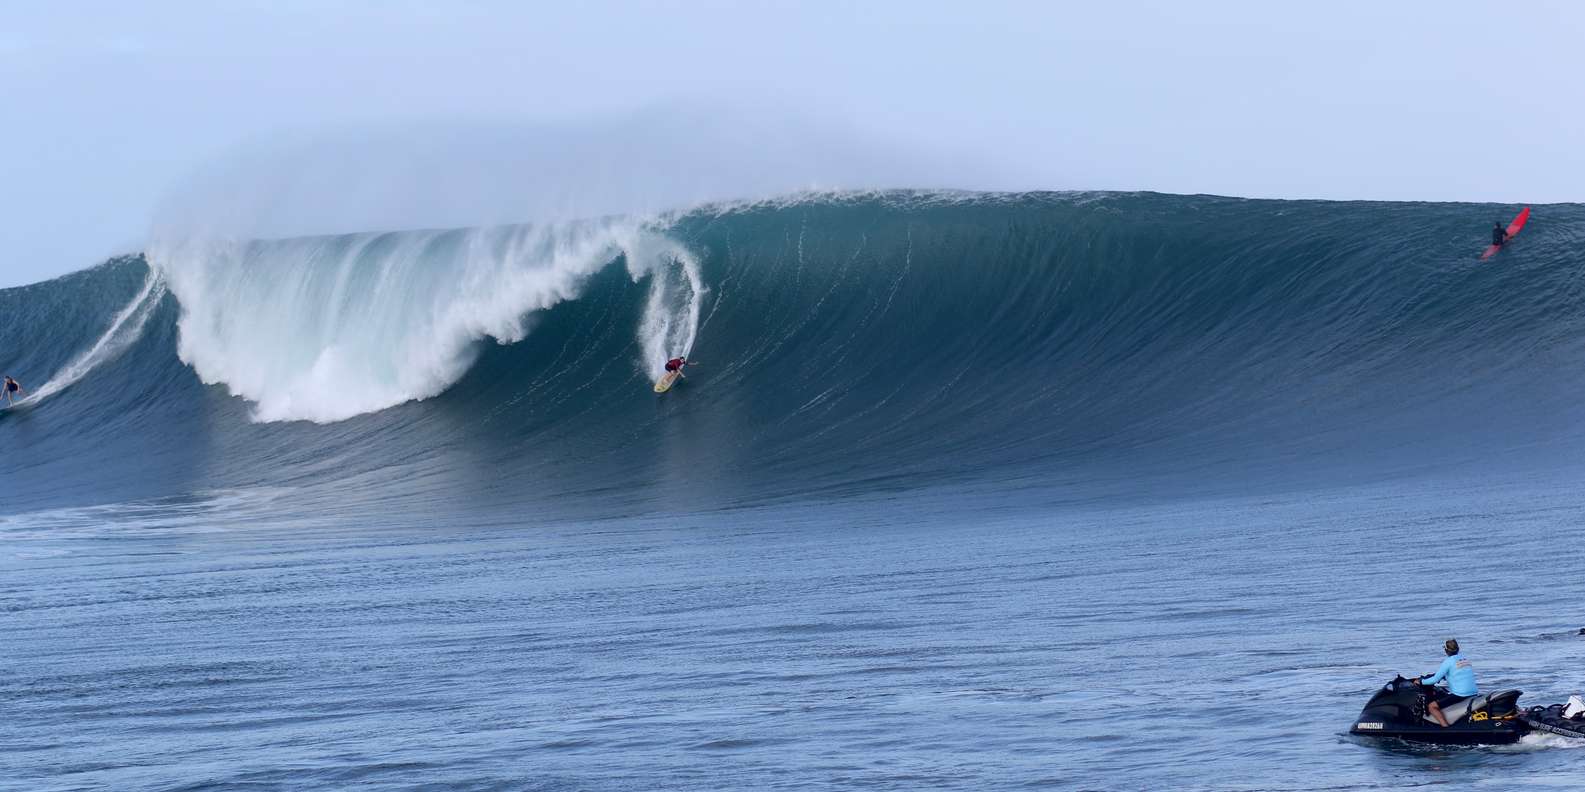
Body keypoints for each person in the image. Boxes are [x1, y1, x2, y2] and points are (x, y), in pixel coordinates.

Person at [1414, 638, 1477, 727]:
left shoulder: (1448, 661)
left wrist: (1421, 682)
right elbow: (1457, 673)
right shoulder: (1464, 659)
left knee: (1432, 707)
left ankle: (1445, 728)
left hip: (1460, 695)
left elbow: (1434, 680)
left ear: (1446, 650)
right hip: (1473, 692)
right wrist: (1444, 676)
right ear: (1458, 649)